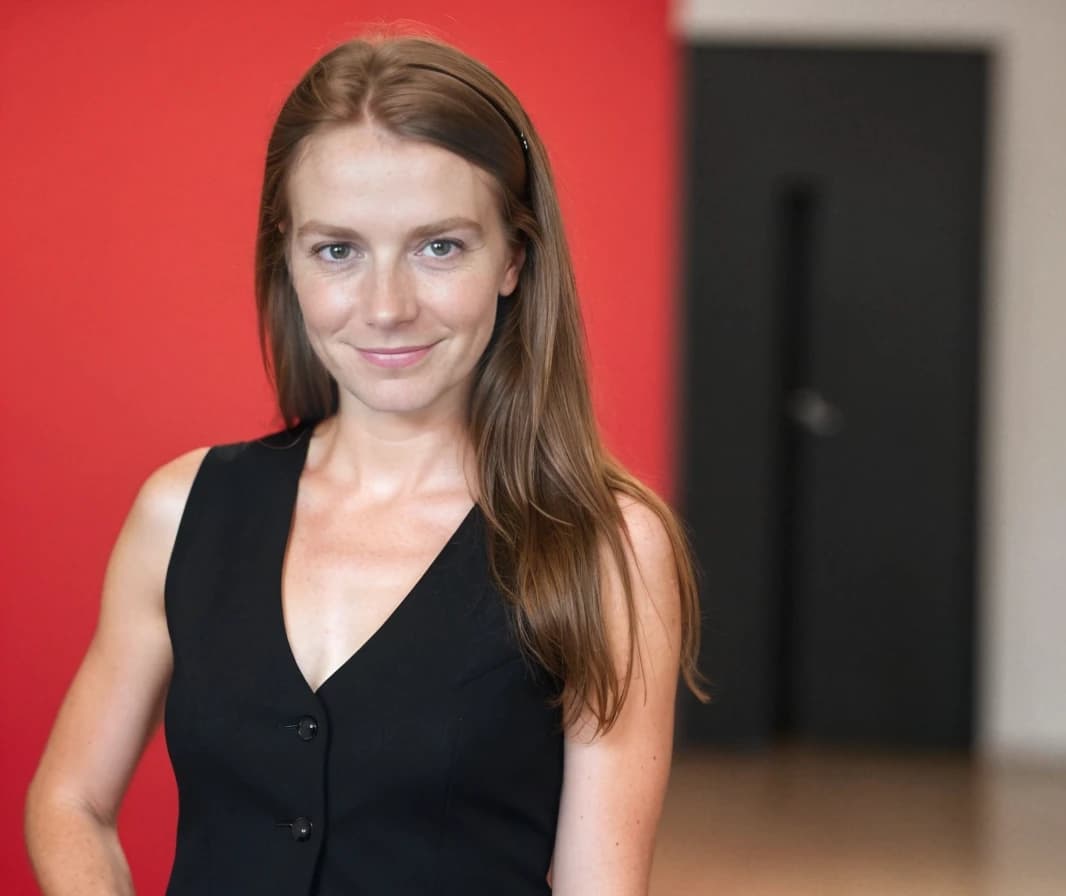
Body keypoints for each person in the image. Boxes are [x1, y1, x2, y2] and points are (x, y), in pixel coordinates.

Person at [24, 32, 705, 896]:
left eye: (439, 247)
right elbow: (71, 799)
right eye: (338, 250)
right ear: (290, 257)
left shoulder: (605, 548)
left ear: (515, 260)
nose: (387, 307)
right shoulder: (183, 510)